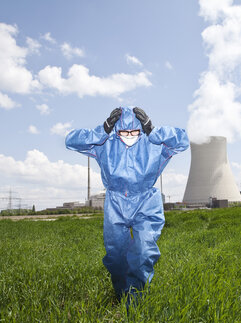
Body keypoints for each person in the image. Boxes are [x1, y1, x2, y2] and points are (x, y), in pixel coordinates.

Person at [65, 106, 189, 301]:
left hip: (146, 201)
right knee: (116, 257)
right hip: (115, 203)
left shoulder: (154, 142)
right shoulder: (105, 142)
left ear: (141, 130)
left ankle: (136, 303)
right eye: (124, 131)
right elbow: (71, 141)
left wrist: (153, 130)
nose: (129, 135)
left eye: (134, 132)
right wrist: (102, 130)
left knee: (143, 252)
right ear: (116, 131)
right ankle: (122, 296)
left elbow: (183, 140)